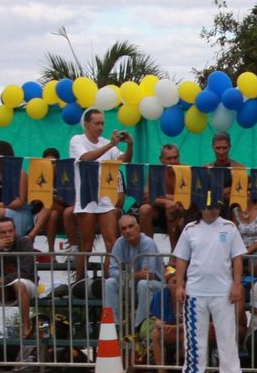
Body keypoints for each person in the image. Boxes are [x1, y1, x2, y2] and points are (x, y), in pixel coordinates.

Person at [171, 200, 246, 373]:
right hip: (196, 291)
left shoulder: (229, 228)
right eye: (208, 206)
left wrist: (236, 285)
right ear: (201, 208)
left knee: (227, 336)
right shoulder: (190, 229)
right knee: (194, 339)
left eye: (215, 207)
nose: (212, 210)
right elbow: (181, 259)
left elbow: (237, 258)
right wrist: (180, 285)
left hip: (223, 291)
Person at [68, 110, 131, 273]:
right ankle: (79, 282)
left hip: (106, 198)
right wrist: (110, 145)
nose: (101, 127)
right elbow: (86, 158)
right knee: (87, 245)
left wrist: (130, 145)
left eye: (102, 123)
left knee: (111, 243)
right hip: (86, 197)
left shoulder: (104, 142)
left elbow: (125, 160)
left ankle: (108, 279)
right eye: (97, 123)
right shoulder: (77, 140)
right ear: (87, 124)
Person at [0, 216, 38, 338]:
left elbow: (25, 271)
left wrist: (1, 280)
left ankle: (26, 328)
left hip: (27, 284)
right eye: (3, 232)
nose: (8, 234)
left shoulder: (24, 243)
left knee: (19, 284)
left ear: (15, 230)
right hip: (5, 287)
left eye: (10, 231)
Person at [108, 214, 164, 328]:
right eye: (124, 228)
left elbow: (148, 275)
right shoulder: (120, 243)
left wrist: (127, 275)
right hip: (132, 286)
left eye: (131, 226)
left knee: (144, 284)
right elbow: (112, 271)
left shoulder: (148, 242)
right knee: (110, 283)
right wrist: (135, 275)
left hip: (157, 287)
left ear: (138, 228)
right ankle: (113, 325)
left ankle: (139, 327)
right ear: (120, 231)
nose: (128, 231)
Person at [137, 143, 187, 240]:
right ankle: (148, 251)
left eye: (175, 158)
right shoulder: (155, 172)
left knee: (172, 208)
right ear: (161, 159)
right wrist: (166, 201)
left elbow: (185, 199)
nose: (172, 161)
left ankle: (174, 253)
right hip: (159, 210)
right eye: (169, 159)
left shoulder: (185, 171)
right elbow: (147, 197)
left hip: (179, 211)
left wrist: (162, 196)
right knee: (144, 209)